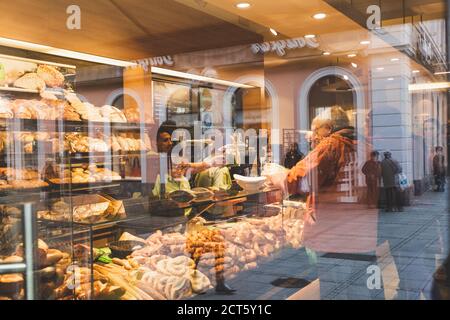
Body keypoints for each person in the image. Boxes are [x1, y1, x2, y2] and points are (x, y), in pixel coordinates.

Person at [266, 106, 380, 299]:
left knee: (333, 290)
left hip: (335, 236)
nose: (311, 136)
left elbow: (299, 179)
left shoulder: (331, 145)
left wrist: (277, 176)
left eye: (315, 129)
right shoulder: (363, 145)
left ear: (328, 128)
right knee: (359, 290)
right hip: (362, 233)